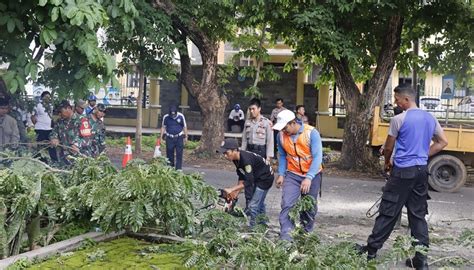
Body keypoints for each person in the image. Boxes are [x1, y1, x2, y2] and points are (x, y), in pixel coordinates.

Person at [356, 84, 448, 269]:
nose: (396, 102)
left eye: (397, 99)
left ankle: (371, 251)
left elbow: (388, 147)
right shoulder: (430, 118)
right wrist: (423, 155)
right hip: (421, 171)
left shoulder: (399, 119)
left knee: (389, 211)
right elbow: (442, 142)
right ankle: (421, 261)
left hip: (402, 172)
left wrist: (387, 162)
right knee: (418, 215)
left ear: (406, 99)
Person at [273, 109, 323, 241]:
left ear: (293, 123)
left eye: (285, 128)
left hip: (312, 175)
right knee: (287, 204)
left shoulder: (311, 133)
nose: (283, 131)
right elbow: (283, 156)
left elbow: (318, 157)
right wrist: (281, 174)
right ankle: (286, 239)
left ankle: (305, 235)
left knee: (308, 207)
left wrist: (309, 178)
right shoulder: (281, 136)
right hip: (293, 174)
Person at [218, 138, 274, 228]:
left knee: (253, 205)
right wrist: (236, 193)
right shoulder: (236, 159)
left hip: (265, 178)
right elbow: (242, 175)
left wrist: (231, 189)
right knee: (259, 202)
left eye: (227, 153)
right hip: (257, 177)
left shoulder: (246, 160)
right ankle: (262, 225)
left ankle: (253, 229)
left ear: (235, 150)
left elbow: (249, 182)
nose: (225, 156)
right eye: (224, 153)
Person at [160, 105, 188, 170]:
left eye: (174, 115)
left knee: (179, 153)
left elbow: (184, 127)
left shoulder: (181, 116)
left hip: (179, 137)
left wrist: (186, 136)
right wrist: (161, 137)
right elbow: (163, 127)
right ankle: (170, 168)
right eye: (171, 115)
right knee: (169, 153)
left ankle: (178, 169)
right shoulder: (166, 117)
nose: (173, 116)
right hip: (169, 137)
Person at [32, 91, 56, 160]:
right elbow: (33, 116)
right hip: (40, 128)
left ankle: (54, 160)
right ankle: (40, 160)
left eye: (49, 97)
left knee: (51, 145)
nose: (47, 98)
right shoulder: (37, 105)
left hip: (49, 129)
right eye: (46, 97)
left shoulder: (50, 106)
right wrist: (36, 124)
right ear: (42, 98)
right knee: (40, 145)